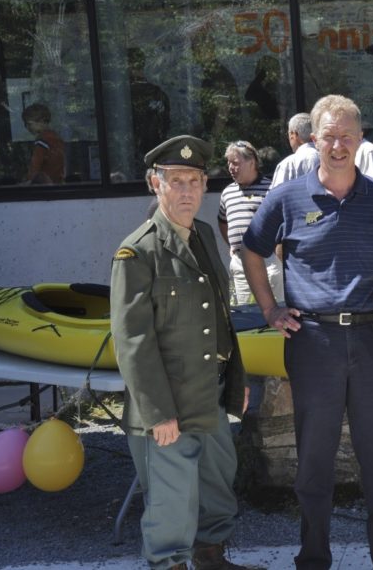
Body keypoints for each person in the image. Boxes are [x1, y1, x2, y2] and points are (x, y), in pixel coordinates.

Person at [240, 94, 373, 570]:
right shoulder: (286, 197)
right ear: (313, 138)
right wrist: (270, 308)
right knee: (313, 464)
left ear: (360, 139)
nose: (338, 145)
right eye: (329, 136)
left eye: (347, 136)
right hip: (312, 341)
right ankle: (313, 559)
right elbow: (251, 250)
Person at [110, 135, 252, 570]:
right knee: (171, 503)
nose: (187, 190)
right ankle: (170, 563)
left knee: (215, 486)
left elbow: (220, 318)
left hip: (211, 391)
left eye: (194, 180)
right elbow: (133, 340)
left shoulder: (205, 236)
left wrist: (236, 384)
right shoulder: (138, 251)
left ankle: (211, 557)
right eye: (176, 181)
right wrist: (157, 412)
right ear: (156, 184)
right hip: (168, 401)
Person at [219, 140, 282, 304]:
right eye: (229, 163)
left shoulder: (271, 189)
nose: (231, 168)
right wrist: (233, 245)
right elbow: (223, 221)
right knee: (246, 314)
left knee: (277, 310)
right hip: (240, 263)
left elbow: (283, 223)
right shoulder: (227, 192)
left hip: (268, 261)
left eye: (235, 163)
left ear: (251, 162)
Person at [269, 112, 320, 187]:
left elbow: (275, 196)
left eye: (289, 134)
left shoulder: (288, 164)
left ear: (294, 134)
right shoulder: (332, 159)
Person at [22, 103, 64, 184]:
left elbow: (36, 163)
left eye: (29, 124)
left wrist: (29, 180)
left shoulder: (42, 141)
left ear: (41, 121)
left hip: (44, 184)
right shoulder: (56, 138)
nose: (27, 127)